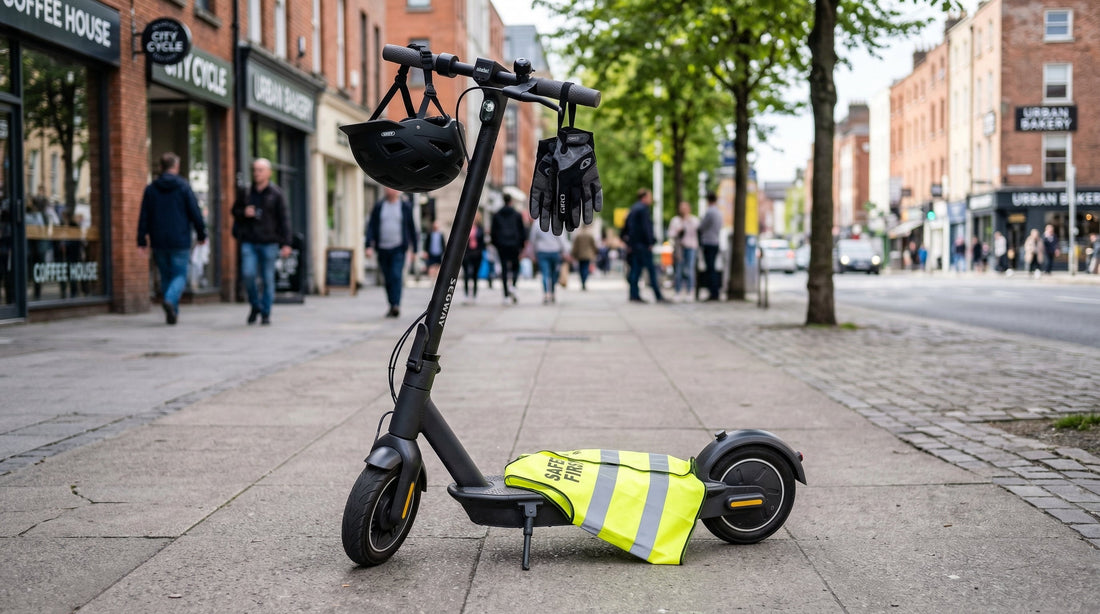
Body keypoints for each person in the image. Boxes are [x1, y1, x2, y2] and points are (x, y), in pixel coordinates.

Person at [138, 152, 207, 325]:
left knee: (166, 275)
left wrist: (141, 240)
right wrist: (201, 234)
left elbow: (144, 216)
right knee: (180, 275)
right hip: (180, 239)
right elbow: (195, 212)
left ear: (161, 167)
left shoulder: (151, 189)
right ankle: (170, 300)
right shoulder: (183, 187)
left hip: (159, 239)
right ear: (175, 167)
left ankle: (173, 312)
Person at [232, 158, 292, 326]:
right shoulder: (246, 192)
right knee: (248, 274)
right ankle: (255, 305)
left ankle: (265, 313)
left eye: (260, 170)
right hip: (249, 241)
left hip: (269, 242)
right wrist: (244, 212)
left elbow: (284, 219)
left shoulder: (276, 193)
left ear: (268, 172)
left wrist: (287, 243)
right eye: (255, 170)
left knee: (267, 278)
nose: (256, 173)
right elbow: (234, 210)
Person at [365, 186, 418, 318]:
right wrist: (368, 246)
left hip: (398, 248)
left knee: (396, 275)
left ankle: (396, 305)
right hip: (382, 248)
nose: (390, 190)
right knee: (387, 278)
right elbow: (371, 226)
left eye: (393, 188)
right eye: (387, 188)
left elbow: (412, 228)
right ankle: (391, 304)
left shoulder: (405, 206)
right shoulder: (379, 206)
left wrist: (415, 250)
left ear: (399, 190)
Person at [622, 188, 667, 303]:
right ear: (644, 197)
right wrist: (650, 242)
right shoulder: (643, 209)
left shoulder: (633, 209)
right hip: (643, 246)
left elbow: (626, 228)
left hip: (635, 245)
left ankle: (634, 294)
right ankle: (658, 295)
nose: (651, 199)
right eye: (649, 197)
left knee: (635, 271)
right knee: (651, 271)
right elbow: (646, 227)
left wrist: (629, 243)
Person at [490, 193, 526, 304]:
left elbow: (493, 232)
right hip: (514, 245)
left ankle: (505, 295)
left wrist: (496, 244)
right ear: (511, 201)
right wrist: (521, 245)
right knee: (516, 266)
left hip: (502, 245)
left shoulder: (497, 215)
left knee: (504, 269)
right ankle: (513, 286)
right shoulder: (517, 215)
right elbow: (522, 231)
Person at [529, 221, 570, 304]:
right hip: (555, 251)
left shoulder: (537, 223)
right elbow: (562, 238)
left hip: (542, 251)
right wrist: (565, 251)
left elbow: (532, 239)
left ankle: (547, 293)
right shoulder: (557, 221)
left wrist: (533, 251)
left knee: (545, 273)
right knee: (554, 273)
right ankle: (552, 292)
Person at [667, 200, 699, 300]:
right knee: (678, 270)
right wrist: (678, 231)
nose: (683, 210)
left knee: (690, 270)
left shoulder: (694, 220)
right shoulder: (675, 220)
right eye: (682, 207)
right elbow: (670, 234)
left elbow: (697, 233)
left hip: (691, 247)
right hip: (679, 248)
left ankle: (690, 292)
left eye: (685, 207)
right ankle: (678, 292)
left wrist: (687, 222)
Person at [698, 191, 722, 301]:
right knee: (712, 268)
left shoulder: (710, 212)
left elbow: (702, 227)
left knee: (710, 269)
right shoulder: (718, 212)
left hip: (709, 242)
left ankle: (713, 292)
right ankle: (715, 291)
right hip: (716, 241)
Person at [462, 211, 486, 304]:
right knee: (467, 274)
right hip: (467, 253)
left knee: (475, 275)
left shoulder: (480, 228)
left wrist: (481, 251)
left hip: (477, 253)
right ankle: (466, 295)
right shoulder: (466, 227)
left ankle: (475, 295)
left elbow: (482, 242)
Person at [570, 226, 598, 291]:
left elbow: (575, 246)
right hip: (588, 254)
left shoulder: (578, 236)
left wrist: (573, 254)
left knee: (581, 268)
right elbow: (593, 245)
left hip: (580, 255)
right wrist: (596, 251)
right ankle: (584, 281)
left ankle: (583, 281)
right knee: (585, 268)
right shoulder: (590, 235)